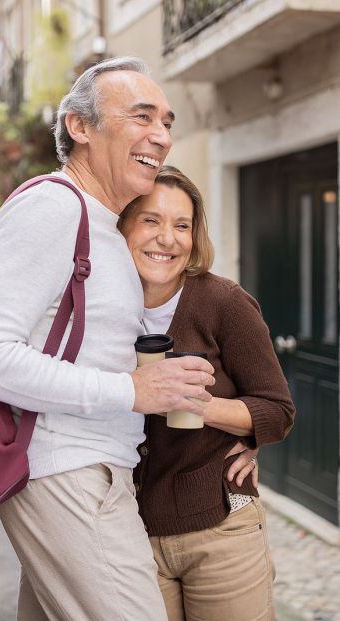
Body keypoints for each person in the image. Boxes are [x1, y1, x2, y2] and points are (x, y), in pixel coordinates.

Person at [0, 57, 215, 620]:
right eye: (141, 117)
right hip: (66, 469)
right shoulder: (51, 208)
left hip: (92, 469)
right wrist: (131, 392)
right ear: (80, 126)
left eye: (166, 122)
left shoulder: (102, 225)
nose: (161, 136)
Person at [118, 165, 295, 621]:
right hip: (124, 537)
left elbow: (277, 410)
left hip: (221, 527)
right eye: (151, 220)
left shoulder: (223, 303)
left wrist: (204, 406)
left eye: (182, 225)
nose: (168, 239)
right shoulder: (99, 306)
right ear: (122, 225)